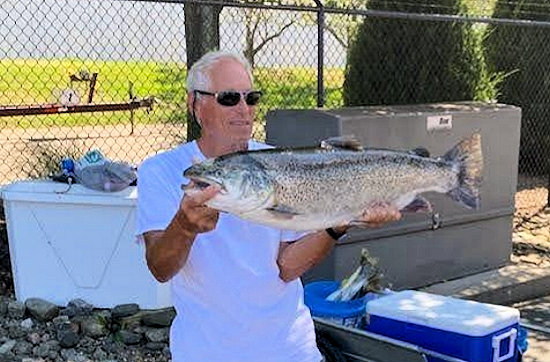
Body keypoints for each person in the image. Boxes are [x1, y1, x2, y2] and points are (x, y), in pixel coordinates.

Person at [136, 50, 401, 362]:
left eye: (251, 98)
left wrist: (342, 221)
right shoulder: (163, 171)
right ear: (194, 103)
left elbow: (287, 267)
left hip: (291, 350)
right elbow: (160, 268)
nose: (244, 109)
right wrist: (184, 226)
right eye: (229, 98)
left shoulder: (277, 163)